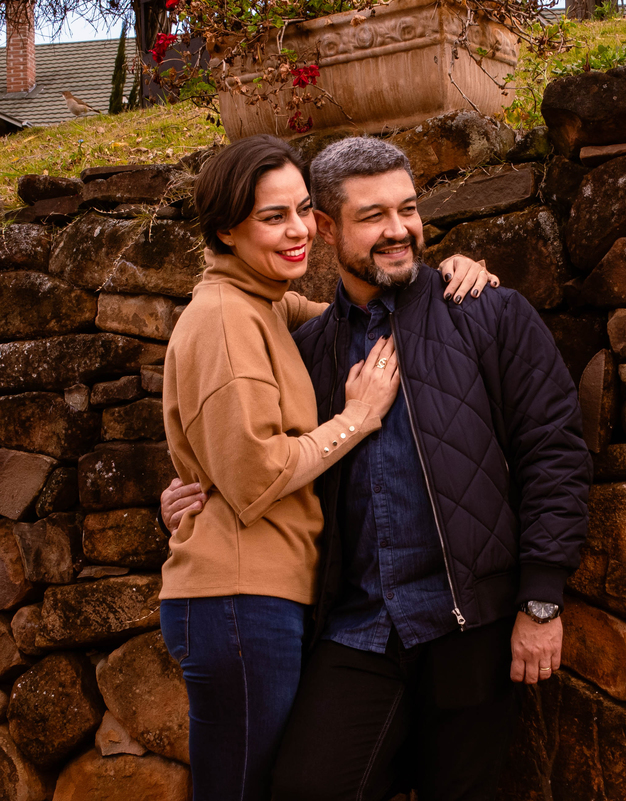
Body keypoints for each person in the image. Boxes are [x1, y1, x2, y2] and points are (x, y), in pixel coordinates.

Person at [164, 135, 591, 801]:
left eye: (408, 209)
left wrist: (541, 598)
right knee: (305, 788)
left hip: (468, 620)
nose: (399, 230)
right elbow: (255, 450)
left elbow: (553, 450)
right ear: (328, 228)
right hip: (357, 627)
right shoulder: (308, 346)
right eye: (374, 216)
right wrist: (197, 491)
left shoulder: (486, 310)